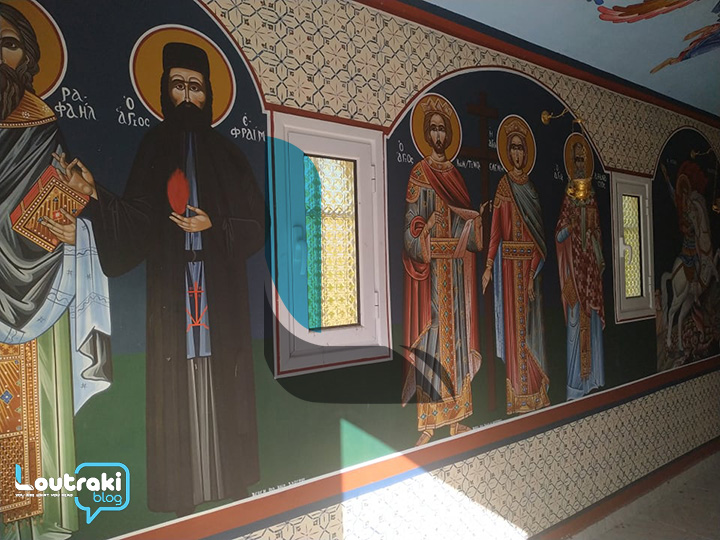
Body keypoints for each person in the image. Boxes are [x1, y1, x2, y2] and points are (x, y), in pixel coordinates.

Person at [63, 42, 265, 514]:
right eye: (179, 86)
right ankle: (183, 491)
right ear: (164, 91)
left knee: (223, 381)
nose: (188, 97)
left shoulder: (228, 154)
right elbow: (137, 220)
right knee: (177, 388)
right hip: (172, 294)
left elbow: (257, 223)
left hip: (220, 297)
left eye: (196, 87)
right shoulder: (153, 146)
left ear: (209, 94)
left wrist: (214, 225)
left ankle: (229, 479)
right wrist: (95, 194)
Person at [0, 2, 110, 535]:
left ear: (26, 57)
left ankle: (44, 524)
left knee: (39, 421)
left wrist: (76, 226)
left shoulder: (42, 125)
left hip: (40, 289)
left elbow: (63, 194)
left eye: (7, 44)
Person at [402, 94, 486, 446]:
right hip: (432, 274)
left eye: (442, 130)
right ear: (427, 134)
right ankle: (428, 423)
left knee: (457, 341)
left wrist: (474, 221)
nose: (438, 135)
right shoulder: (418, 174)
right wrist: (425, 229)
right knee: (433, 341)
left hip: (456, 272)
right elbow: (409, 229)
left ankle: (457, 419)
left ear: (447, 135)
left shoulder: (455, 176)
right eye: (433, 129)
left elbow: (470, 237)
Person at [482, 115, 549, 415]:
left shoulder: (531, 190)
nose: (518, 153)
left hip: (529, 271)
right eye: (513, 148)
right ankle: (516, 397)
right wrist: (488, 265)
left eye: (522, 148)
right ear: (508, 152)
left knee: (530, 330)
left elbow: (539, 240)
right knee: (513, 331)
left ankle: (535, 392)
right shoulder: (503, 187)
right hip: (508, 272)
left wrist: (533, 274)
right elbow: (496, 230)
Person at [555, 135, 605, 400]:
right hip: (573, 273)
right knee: (575, 326)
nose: (580, 164)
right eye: (576, 159)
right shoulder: (569, 199)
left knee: (592, 324)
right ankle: (575, 386)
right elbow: (559, 234)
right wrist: (571, 228)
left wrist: (593, 240)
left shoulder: (593, 198)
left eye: (583, 159)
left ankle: (593, 379)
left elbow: (597, 233)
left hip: (590, 273)